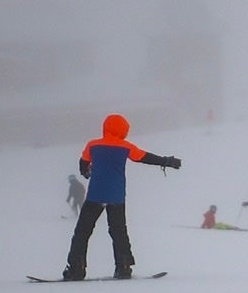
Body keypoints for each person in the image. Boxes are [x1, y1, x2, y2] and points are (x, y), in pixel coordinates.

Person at [62, 113, 181, 280]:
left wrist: (87, 172)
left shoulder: (93, 145)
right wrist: (167, 161)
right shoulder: (126, 147)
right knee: (119, 232)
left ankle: (76, 269)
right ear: (124, 130)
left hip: (95, 195)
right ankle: (124, 267)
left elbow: (83, 164)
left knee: (82, 232)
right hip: (116, 196)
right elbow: (145, 157)